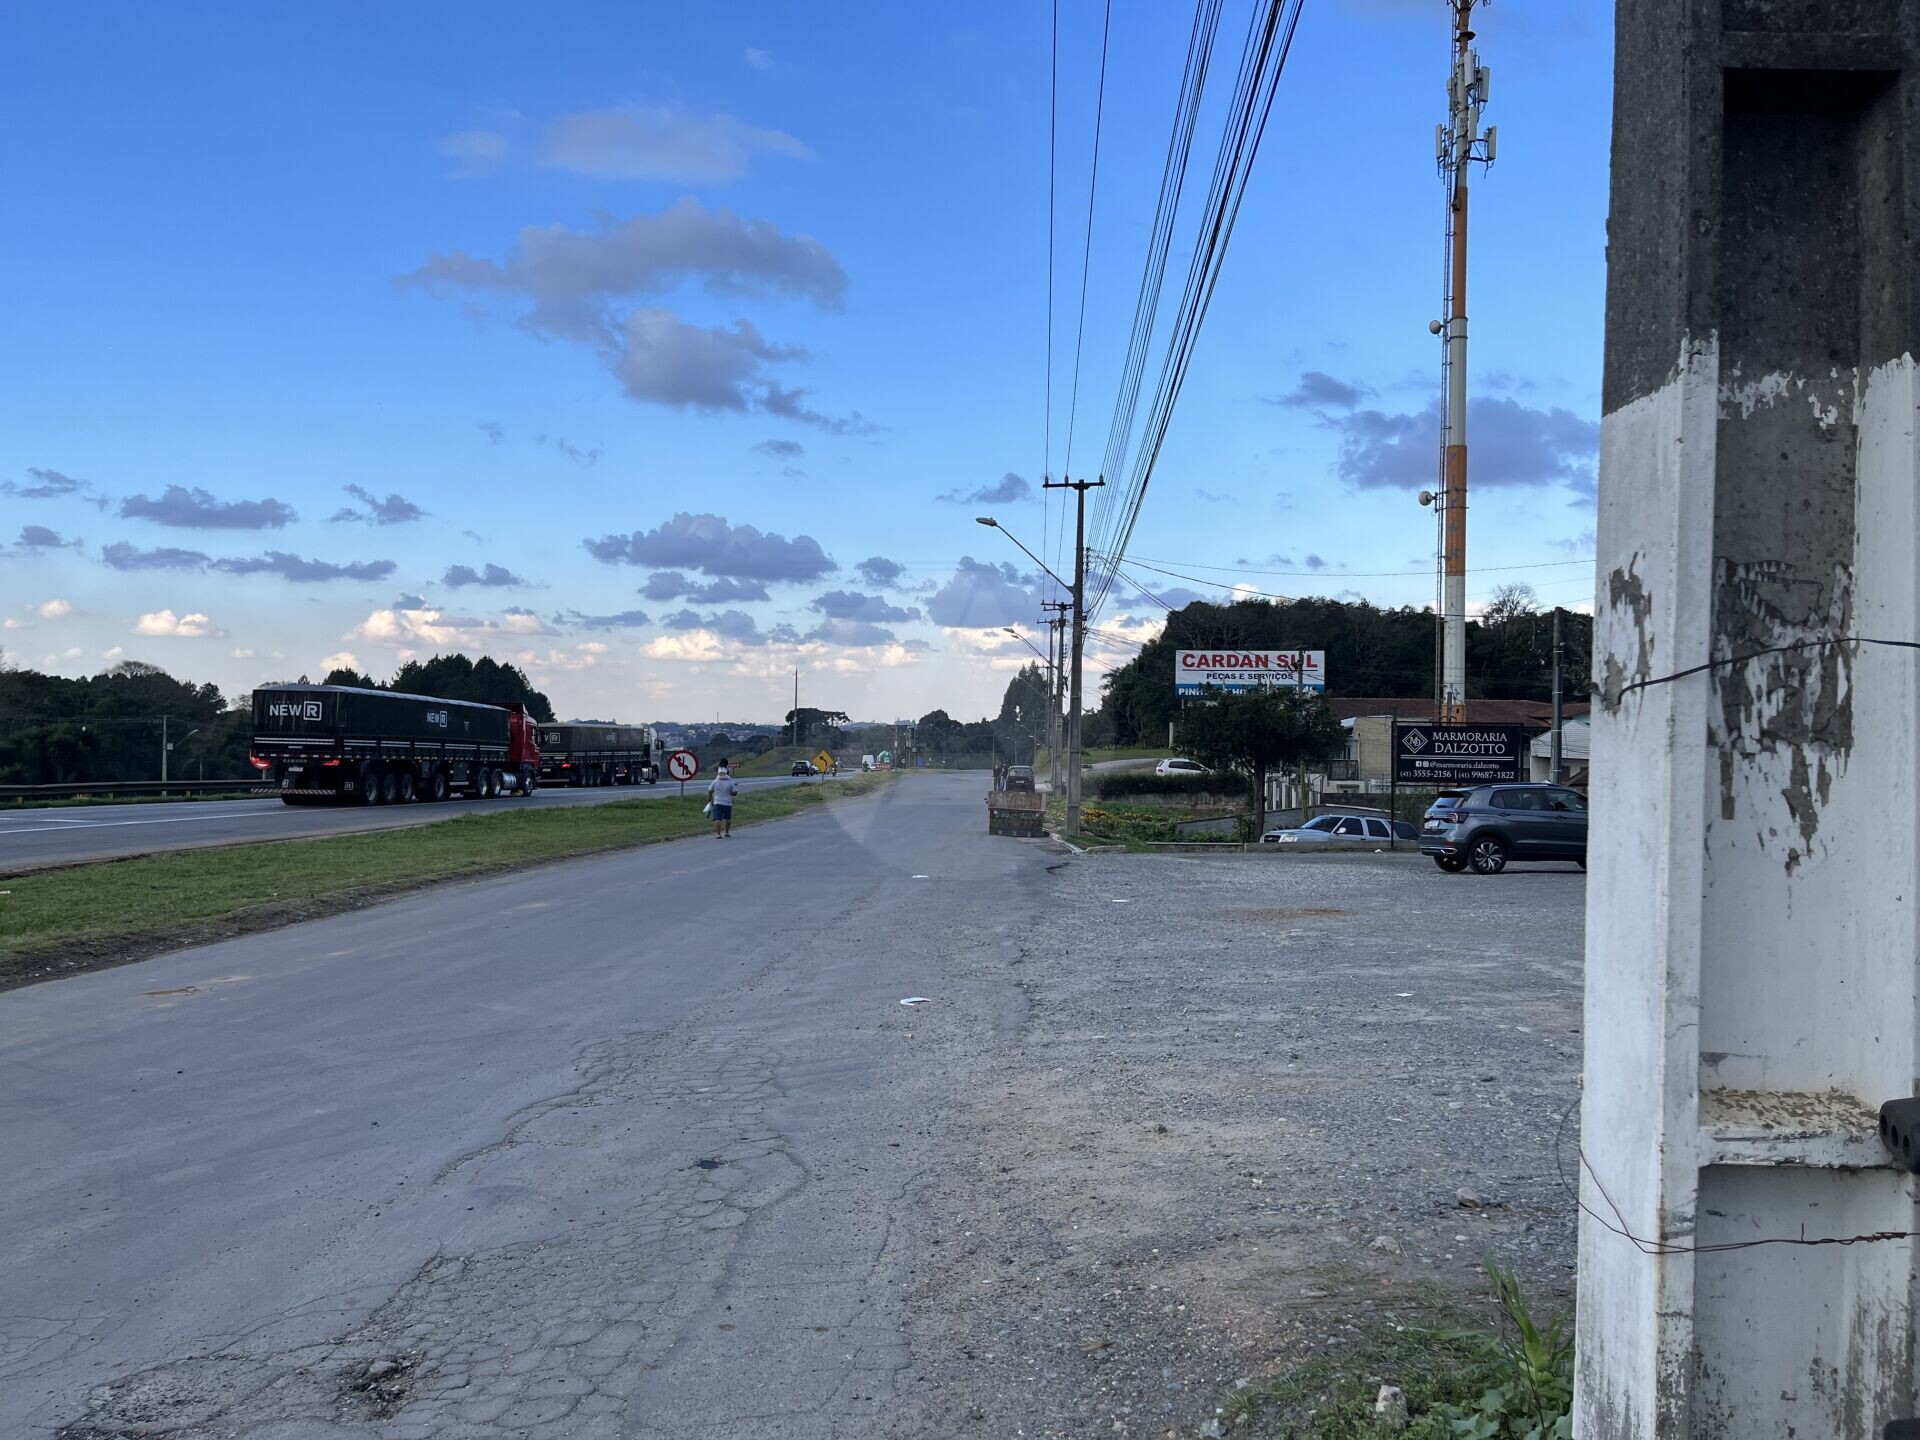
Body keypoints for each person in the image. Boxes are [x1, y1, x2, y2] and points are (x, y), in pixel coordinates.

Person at [708, 759, 739, 839]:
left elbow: (710, 791)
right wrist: (730, 793)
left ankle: (718, 834)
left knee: (718, 819)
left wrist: (709, 801)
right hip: (728, 802)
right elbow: (735, 793)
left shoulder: (715, 781)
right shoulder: (730, 781)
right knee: (728, 819)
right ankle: (727, 832)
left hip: (717, 802)